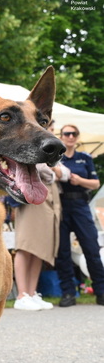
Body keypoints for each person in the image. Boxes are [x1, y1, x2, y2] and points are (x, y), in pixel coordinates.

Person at [55, 124, 104, 307]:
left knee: (91, 248)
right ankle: (68, 292)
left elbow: (95, 183)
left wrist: (79, 180)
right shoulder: (56, 158)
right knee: (63, 252)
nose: (70, 136)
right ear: (61, 137)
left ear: (77, 137)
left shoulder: (84, 158)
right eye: (66, 133)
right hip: (61, 206)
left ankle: (100, 291)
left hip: (81, 205)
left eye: (73, 133)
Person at [13, 163, 61, 310]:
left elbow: (64, 173)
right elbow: (29, 167)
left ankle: (31, 293)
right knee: (25, 246)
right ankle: (21, 295)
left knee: (39, 250)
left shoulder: (53, 157)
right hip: (31, 200)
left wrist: (53, 169)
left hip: (48, 201)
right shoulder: (31, 147)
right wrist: (52, 169)